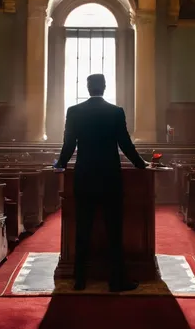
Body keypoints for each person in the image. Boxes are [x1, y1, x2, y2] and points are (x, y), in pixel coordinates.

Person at [55, 73, 147, 292]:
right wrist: (141, 164)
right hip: (109, 177)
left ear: (88, 88)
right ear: (104, 87)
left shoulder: (74, 111)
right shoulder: (115, 112)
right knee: (114, 230)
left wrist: (60, 164)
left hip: (84, 176)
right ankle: (117, 280)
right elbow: (125, 143)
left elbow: (68, 144)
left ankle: (79, 279)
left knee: (83, 228)